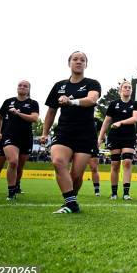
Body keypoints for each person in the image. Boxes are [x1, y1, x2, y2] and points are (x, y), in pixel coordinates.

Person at [41, 51, 101, 214]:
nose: (78, 62)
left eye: (82, 60)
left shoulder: (92, 83)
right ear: (69, 63)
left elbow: (91, 100)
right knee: (58, 162)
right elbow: (51, 111)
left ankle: (70, 202)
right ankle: (71, 203)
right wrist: (44, 133)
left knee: (76, 174)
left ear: (86, 64)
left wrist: (71, 101)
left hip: (85, 133)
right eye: (75, 59)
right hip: (64, 131)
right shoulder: (59, 86)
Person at [0, 81, 39, 200]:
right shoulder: (8, 101)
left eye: (25, 86)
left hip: (26, 137)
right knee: (13, 162)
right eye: (20, 85)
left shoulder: (33, 103)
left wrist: (18, 114)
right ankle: (10, 193)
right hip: (9, 136)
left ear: (29, 89)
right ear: (17, 88)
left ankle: (16, 186)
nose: (22, 87)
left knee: (19, 167)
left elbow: (34, 118)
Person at [98, 81, 137, 200]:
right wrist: (100, 137)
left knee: (127, 162)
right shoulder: (113, 104)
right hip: (114, 136)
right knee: (115, 164)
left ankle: (126, 193)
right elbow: (106, 122)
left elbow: (135, 118)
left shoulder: (135, 104)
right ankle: (114, 193)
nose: (127, 89)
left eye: (129, 87)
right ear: (120, 90)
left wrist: (121, 122)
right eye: (125, 87)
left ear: (131, 91)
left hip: (129, 136)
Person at [88, 117, 103, 196]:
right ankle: (71, 189)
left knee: (94, 168)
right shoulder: (79, 116)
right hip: (79, 143)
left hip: (93, 145)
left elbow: (104, 128)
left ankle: (97, 191)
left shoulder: (97, 121)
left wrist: (100, 139)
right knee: (76, 168)